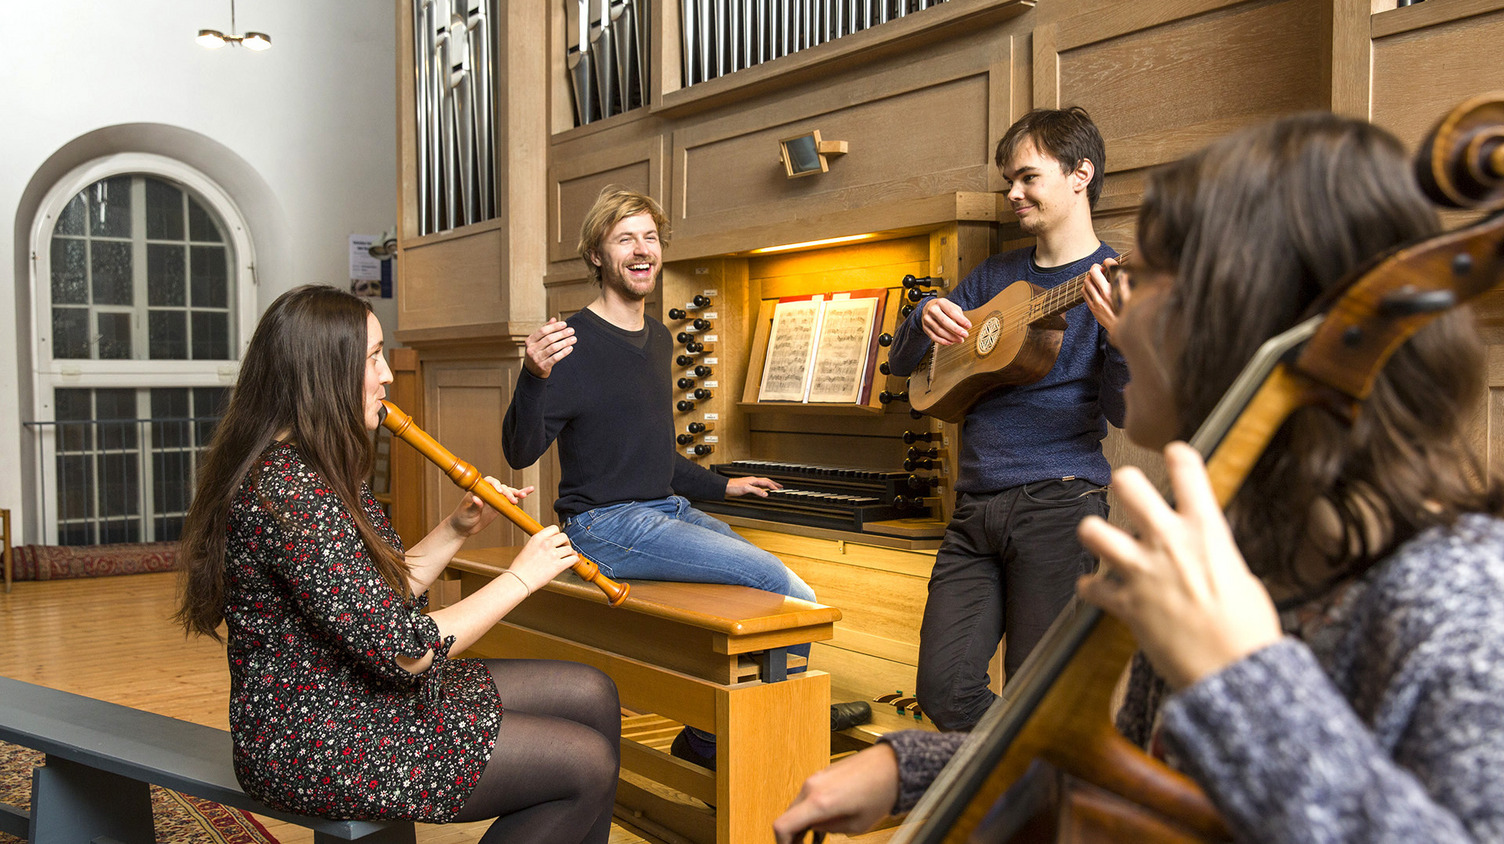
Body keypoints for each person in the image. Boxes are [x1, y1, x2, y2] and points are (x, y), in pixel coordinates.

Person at [773, 112, 1504, 843]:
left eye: (1142, 276)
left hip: (1056, 499)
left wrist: (1242, 680)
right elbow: (1139, 779)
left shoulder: (1463, 599)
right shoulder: (1233, 550)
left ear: (1232, 316)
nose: (1120, 297)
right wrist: (916, 767)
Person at [176, 285, 621, 844]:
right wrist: (521, 577)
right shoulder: (289, 494)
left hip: (358, 692)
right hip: (319, 734)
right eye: (373, 358)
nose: (387, 374)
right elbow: (406, 652)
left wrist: (455, 529)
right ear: (325, 373)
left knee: (593, 695)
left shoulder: (316, 464)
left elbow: (372, 597)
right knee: (584, 765)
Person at [501, 187, 865, 770]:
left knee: (788, 593)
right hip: (601, 525)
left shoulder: (658, 339)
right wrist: (533, 374)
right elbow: (519, 452)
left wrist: (724, 487)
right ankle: (758, 737)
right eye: (625, 239)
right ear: (597, 254)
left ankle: (718, 739)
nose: (642, 250)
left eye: (650, 237)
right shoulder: (571, 342)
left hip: (662, 510)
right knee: (785, 589)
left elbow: (651, 455)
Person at [885, 106, 1127, 731]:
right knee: (944, 692)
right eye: (1007, 182)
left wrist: (1122, 339)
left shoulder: (1116, 281)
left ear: (1081, 175)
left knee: (1035, 695)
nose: (1012, 194)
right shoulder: (995, 274)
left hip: (1058, 506)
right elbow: (903, 370)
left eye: (1028, 178)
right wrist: (925, 315)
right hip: (974, 510)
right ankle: (1012, 784)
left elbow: (1124, 411)